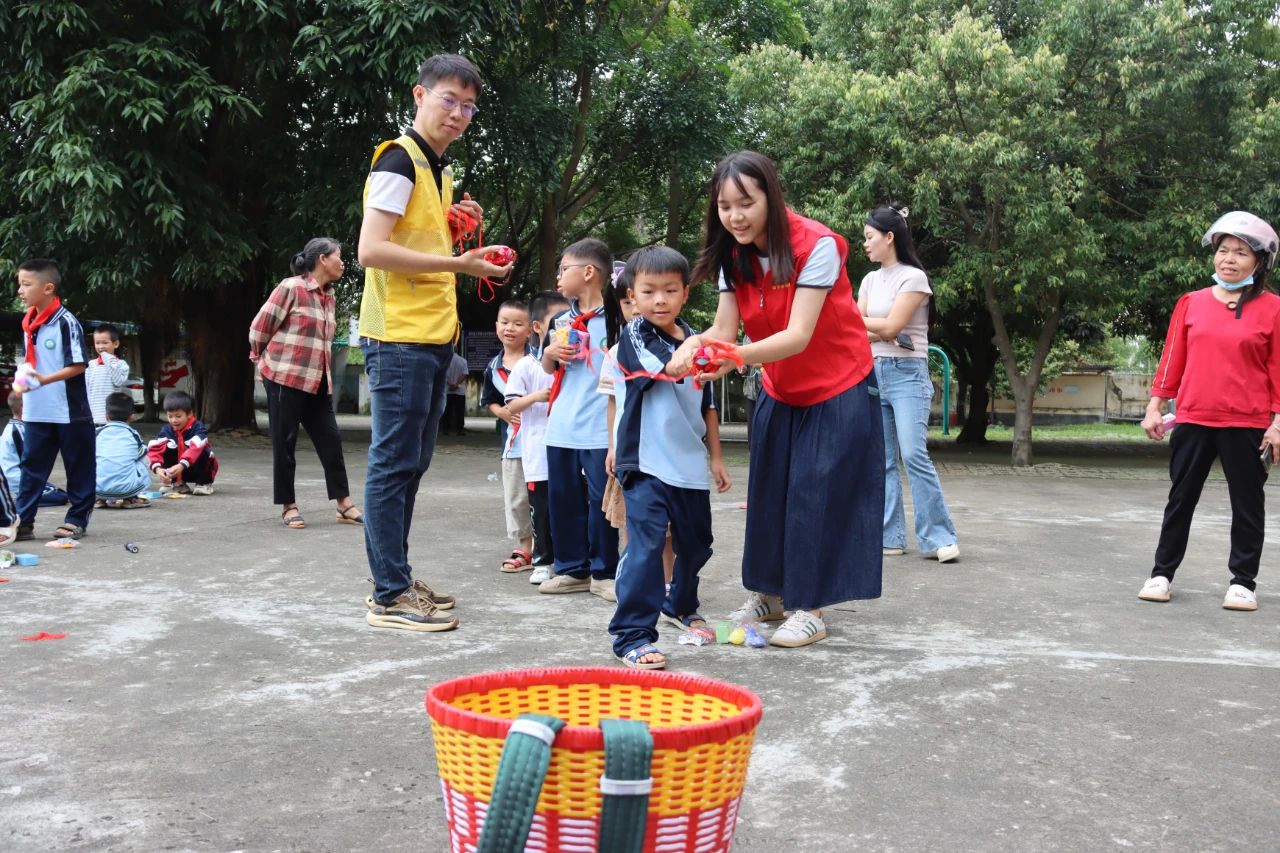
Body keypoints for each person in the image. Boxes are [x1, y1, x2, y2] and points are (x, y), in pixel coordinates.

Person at [672, 150, 884, 648]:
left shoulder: (818, 245)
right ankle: (769, 596)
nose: (735, 217)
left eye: (746, 203)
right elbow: (724, 329)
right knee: (769, 495)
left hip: (836, 385)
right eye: (725, 206)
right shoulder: (733, 255)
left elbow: (798, 335)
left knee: (814, 494)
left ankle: (809, 607)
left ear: (770, 196)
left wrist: (734, 357)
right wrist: (694, 344)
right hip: (779, 387)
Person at [356, 53, 510, 632]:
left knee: (411, 463)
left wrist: (453, 227)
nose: (459, 113)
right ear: (419, 96)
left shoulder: (436, 168)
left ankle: (395, 577)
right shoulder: (400, 160)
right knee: (393, 464)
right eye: (449, 99)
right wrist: (459, 263)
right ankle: (388, 594)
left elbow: (412, 237)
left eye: (469, 106)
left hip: (428, 333)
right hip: (398, 335)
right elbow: (371, 249)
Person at [1140, 210, 1280, 612]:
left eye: (1240, 252)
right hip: (1194, 419)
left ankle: (1242, 583)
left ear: (1260, 261)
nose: (1229, 259)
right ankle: (1161, 574)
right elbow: (1172, 359)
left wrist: (1277, 425)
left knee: (1247, 507)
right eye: (1223, 250)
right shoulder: (1191, 303)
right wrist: (1155, 406)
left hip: (1248, 423)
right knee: (1180, 500)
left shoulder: (1274, 309)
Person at [607, 247, 731, 669]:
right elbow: (673, 368)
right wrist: (707, 348)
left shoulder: (693, 333)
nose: (659, 300)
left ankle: (679, 602)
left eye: (670, 290)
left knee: (696, 544)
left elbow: (707, 402)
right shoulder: (634, 335)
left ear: (685, 293)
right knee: (646, 545)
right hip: (644, 462)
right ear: (632, 295)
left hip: (688, 463)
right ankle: (632, 635)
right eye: (648, 291)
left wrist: (716, 458)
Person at [859, 203, 959, 563]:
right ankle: (891, 537)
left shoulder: (914, 278)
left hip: (908, 375)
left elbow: (889, 326)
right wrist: (878, 329)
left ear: (889, 237)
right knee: (883, 460)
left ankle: (938, 538)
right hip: (874, 372)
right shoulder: (869, 281)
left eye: (869, 237)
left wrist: (875, 327)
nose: (865, 244)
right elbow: (857, 328)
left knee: (914, 455)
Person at [248, 237, 362, 530]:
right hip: (284, 378)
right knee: (284, 443)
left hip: (318, 381)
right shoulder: (291, 287)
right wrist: (262, 360)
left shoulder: (329, 296)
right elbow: (259, 327)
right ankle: (289, 505)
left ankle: (343, 503)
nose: (342, 263)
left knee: (331, 441)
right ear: (322, 259)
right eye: (338, 256)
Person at [539, 238, 620, 601]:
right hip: (561, 425)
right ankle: (572, 569)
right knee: (563, 499)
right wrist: (550, 353)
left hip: (601, 427)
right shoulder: (561, 319)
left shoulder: (619, 317)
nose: (558, 276)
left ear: (588, 272)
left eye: (564, 269)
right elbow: (548, 368)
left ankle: (603, 572)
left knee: (602, 501)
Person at [600, 263, 678, 587]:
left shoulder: (676, 348)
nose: (634, 309)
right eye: (626, 302)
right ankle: (634, 584)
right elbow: (613, 402)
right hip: (631, 453)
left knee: (668, 528)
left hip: (667, 453)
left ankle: (668, 583)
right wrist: (612, 446)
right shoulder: (615, 352)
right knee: (632, 521)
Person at [12, 258, 95, 541]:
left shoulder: (65, 322)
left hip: (69, 411)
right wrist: (24, 383)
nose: (20, 290)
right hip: (36, 410)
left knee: (78, 467)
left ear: (48, 288)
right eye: (19, 284)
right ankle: (23, 521)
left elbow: (79, 365)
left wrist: (43, 381)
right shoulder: (28, 322)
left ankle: (76, 519)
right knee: (31, 468)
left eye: (26, 284)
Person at [507, 291, 568, 584]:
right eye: (557, 320)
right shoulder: (526, 365)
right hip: (538, 453)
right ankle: (542, 560)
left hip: (569, 450)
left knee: (569, 508)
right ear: (538, 327)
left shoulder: (573, 362)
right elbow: (511, 406)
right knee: (540, 510)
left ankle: (569, 561)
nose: (565, 325)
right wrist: (536, 397)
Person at [479, 299, 535, 570]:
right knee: (516, 498)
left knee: (544, 498)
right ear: (496, 326)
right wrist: (501, 412)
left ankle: (549, 549)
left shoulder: (540, 360)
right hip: (513, 445)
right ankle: (524, 548)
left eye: (517, 323)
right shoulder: (493, 367)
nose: (510, 328)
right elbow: (489, 399)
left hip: (541, 442)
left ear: (530, 329)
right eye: (505, 322)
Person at [1, 392, 70, 509]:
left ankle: (21, 496)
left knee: (55, 490)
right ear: (24, 408)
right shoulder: (19, 430)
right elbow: (29, 460)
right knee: (60, 496)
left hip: (14, 480)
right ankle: (19, 499)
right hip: (18, 482)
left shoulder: (12, 427)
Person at [147, 391, 218, 495]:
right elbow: (154, 449)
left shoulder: (198, 428)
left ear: (189, 414)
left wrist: (181, 465)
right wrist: (158, 469)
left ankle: (203, 483)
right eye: (170, 416)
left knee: (200, 449)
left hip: (197, 469)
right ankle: (178, 483)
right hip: (178, 470)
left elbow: (196, 448)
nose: (174, 420)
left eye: (178, 416)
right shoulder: (166, 430)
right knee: (166, 447)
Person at [94, 392, 151, 509]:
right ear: (131, 416)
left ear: (106, 416)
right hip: (127, 490)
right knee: (144, 456)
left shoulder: (97, 433)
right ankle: (130, 499)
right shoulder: (133, 434)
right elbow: (141, 453)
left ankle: (99, 499)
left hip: (97, 489)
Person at [85, 323, 130, 426]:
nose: (101, 347)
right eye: (97, 343)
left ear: (116, 344)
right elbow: (86, 391)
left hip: (113, 419)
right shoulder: (90, 365)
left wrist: (109, 359)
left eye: (105, 343)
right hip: (93, 418)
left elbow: (118, 381)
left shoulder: (121, 364)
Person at [442, 350, 470, 436]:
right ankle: (459, 430)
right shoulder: (463, 361)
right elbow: (464, 374)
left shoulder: (445, 361)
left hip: (448, 390)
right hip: (460, 391)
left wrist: (451, 384)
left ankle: (445, 429)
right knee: (460, 411)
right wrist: (457, 384)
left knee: (447, 411)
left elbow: (443, 374)